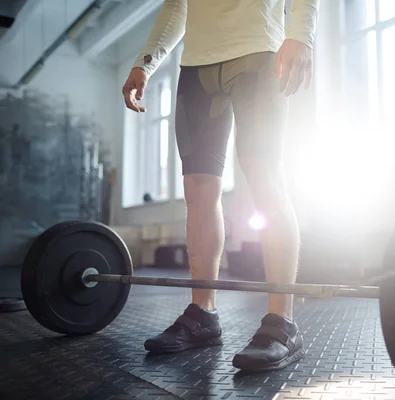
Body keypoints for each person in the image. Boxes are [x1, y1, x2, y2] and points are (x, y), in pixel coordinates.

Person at [121, 0, 319, 372]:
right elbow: (177, 5)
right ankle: (203, 315)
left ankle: (283, 323)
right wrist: (145, 62)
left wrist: (301, 35)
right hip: (196, 66)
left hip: (259, 51)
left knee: (264, 178)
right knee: (197, 189)